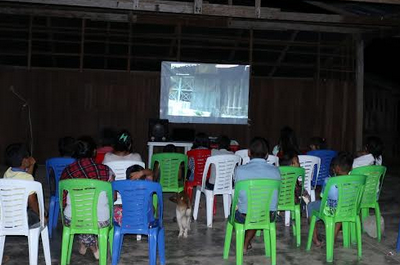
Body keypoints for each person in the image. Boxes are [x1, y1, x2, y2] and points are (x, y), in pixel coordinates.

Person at [61, 137, 115, 260]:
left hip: (73, 218)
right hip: (101, 219)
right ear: (95, 152)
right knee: (93, 214)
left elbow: (63, 201)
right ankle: (92, 245)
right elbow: (113, 197)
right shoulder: (106, 171)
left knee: (81, 216)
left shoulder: (66, 172)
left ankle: (87, 243)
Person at [234, 137, 281, 252]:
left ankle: (244, 242)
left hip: (244, 216)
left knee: (243, 207)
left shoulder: (239, 170)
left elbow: (238, 193)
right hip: (268, 215)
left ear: (249, 153)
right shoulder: (276, 171)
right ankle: (246, 242)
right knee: (259, 209)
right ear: (267, 155)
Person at [307, 151, 353, 247]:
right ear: (351, 168)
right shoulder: (355, 180)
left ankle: (315, 238)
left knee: (311, 206)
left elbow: (323, 196)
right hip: (348, 209)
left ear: (337, 168)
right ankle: (332, 238)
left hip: (331, 211)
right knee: (339, 210)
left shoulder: (329, 181)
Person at [3, 143, 42, 227]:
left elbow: (26, 178)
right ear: (24, 161)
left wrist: (31, 165)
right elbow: (32, 202)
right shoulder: (27, 179)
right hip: (21, 219)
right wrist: (40, 216)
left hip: (5, 217)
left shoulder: (7, 172)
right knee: (42, 212)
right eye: (28, 157)